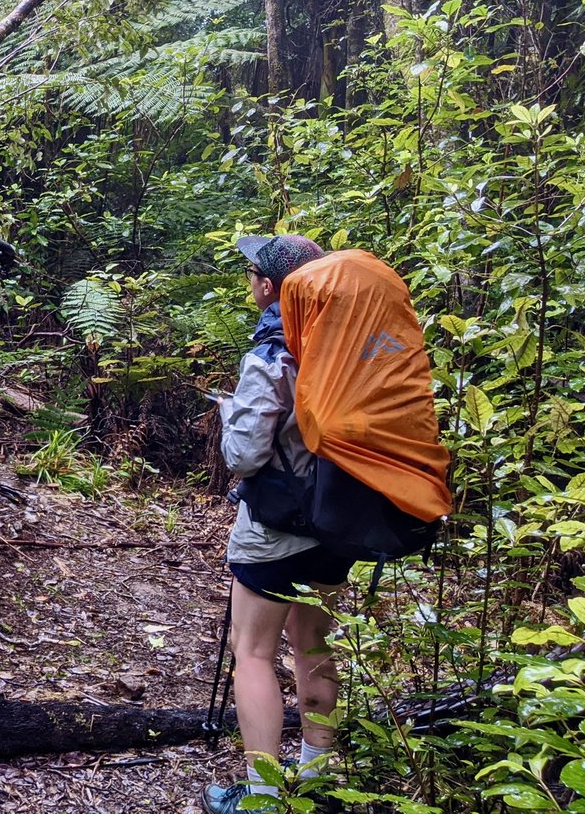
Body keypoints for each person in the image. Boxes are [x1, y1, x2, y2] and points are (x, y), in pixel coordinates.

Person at [204, 233, 352, 814]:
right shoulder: (343, 351)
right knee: (314, 644)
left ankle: (263, 797)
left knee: (255, 653)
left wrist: (228, 416)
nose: (248, 282)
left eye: (251, 275)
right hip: (336, 525)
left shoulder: (272, 353)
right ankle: (317, 777)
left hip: (275, 527)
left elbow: (244, 456)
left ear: (269, 288)